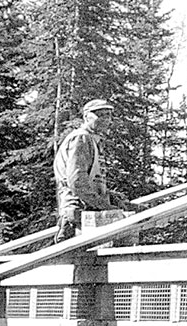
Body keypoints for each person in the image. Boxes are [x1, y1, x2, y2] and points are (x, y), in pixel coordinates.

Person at [52, 98, 133, 243]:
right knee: (85, 261)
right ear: (86, 117)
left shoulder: (93, 141)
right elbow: (77, 181)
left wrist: (111, 198)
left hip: (88, 212)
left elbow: (92, 181)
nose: (105, 120)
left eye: (108, 115)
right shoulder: (81, 138)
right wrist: (104, 206)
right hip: (79, 214)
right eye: (100, 115)